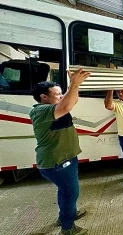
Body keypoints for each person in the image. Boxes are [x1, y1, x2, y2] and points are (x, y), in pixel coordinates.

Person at [29, 69, 91, 235]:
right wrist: (74, 84)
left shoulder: (54, 109)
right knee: (71, 193)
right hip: (57, 162)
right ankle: (67, 228)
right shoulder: (41, 111)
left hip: (65, 159)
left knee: (65, 191)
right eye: (58, 94)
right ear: (44, 97)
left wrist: (74, 87)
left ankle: (64, 215)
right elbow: (68, 104)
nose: (62, 97)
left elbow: (72, 101)